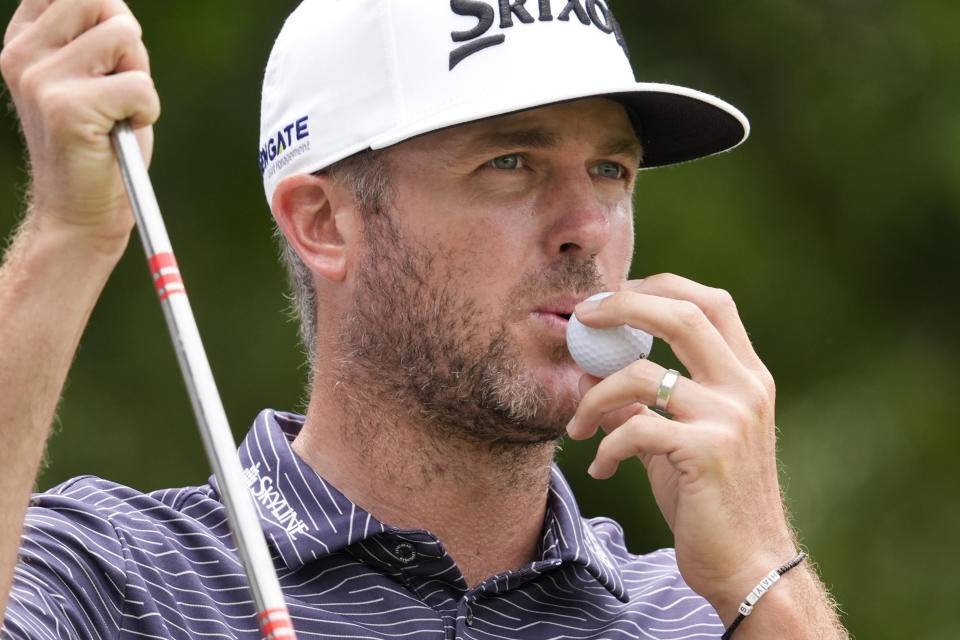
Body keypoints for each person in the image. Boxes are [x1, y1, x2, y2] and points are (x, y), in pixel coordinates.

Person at [0, 1, 849, 638]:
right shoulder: (112, 576)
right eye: (511, 163)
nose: (587, 226)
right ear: (323, 225)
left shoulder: (705, 611)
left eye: (610, 170)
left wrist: (766, 577)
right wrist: (66, 238)